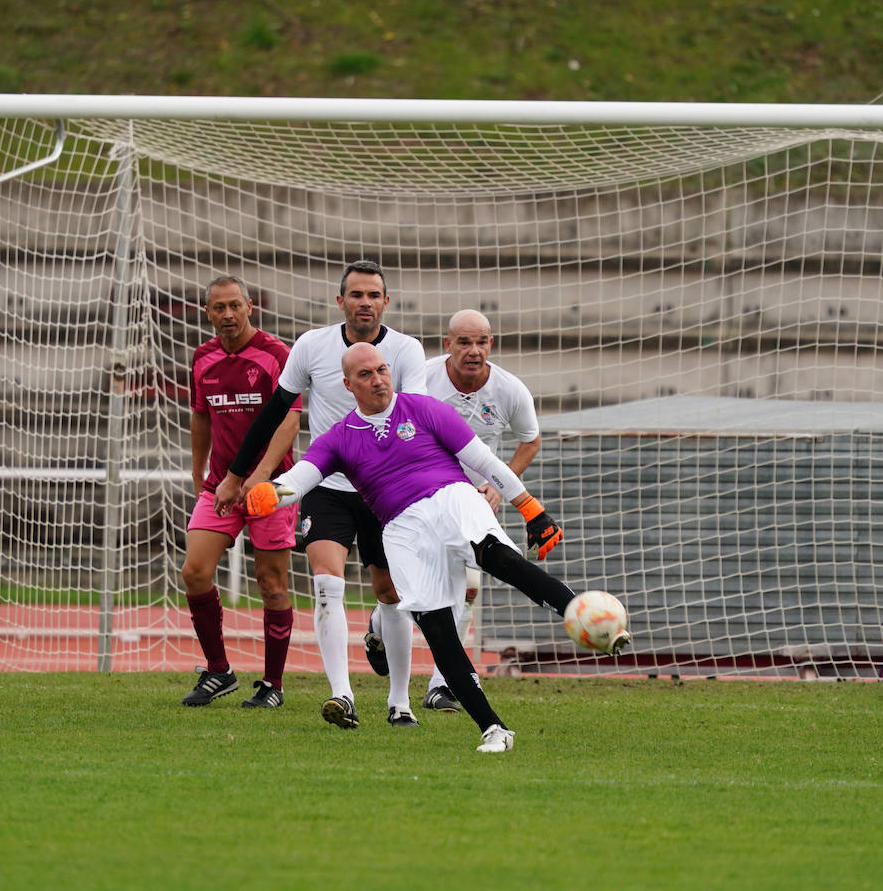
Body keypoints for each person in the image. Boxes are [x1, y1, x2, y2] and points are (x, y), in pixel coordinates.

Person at [244, 342, 630, 753]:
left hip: (451, 498)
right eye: (366, 374)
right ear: (347, 384)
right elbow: (299, 479)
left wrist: (530, 508)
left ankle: (586, 617)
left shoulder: (424, 409)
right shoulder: (339, 437)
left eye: (382, 370)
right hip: (402, 529)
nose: (378, 379)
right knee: (436, 627)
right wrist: (272, 493)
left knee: (498, 558)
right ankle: (494, 730)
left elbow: (484, 461)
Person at [214, 260, 427, 729]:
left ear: (386, 303)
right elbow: (273, 413)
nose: (365, 302)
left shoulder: (407, 351)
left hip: (386, 488)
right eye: (356, 295)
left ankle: (400, 703)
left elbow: (416, 419)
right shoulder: (312, 346)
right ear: (341, 302)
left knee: (390, 592)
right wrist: (235, 474)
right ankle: (342, 696)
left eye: (373, 295)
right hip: (326, 484)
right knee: (327, 583)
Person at [365, 308, 542, 713]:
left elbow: (530, 440)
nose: (473, 350)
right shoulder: (422, 378)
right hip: (415, 498)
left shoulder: (510, 390)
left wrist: (500, 485)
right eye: (464, 342)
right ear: (448, 345)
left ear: (491, 344)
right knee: (407, 588)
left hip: (471, 504)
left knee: (468, 588)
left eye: (481, 341)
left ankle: (442, 685)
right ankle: (378, 628)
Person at [179, 275, 303, 709]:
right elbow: (200, 417)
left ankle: (273, 684)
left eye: (235, 305)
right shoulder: (203, 358)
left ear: (250, 306)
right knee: (194, 571)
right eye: (218, 308)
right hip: (220, 486)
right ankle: (219, 670)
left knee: (271, 582)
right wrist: (198, 471)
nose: (227, 315)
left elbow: (290, 420)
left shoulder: (276, 355)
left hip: (271, 487)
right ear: (207, 312)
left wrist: (261, 474)